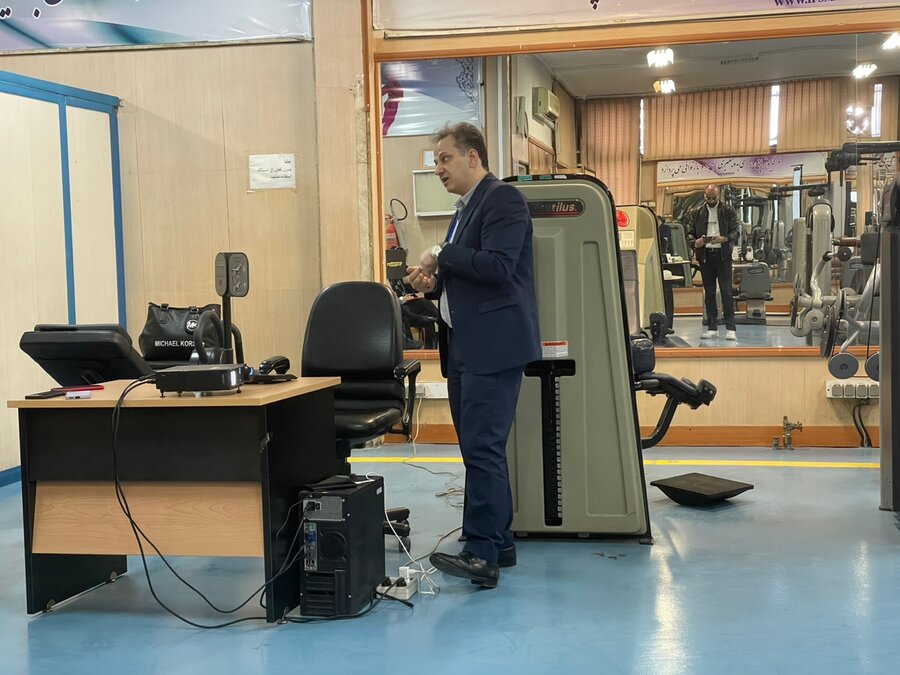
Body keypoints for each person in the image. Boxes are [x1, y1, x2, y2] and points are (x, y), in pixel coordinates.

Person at [404, 122, 541, 589]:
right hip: (465, 346)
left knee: (483, 448)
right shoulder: (464, 210)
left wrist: (442, 254)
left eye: (445, 158)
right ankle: (500, 541)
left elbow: (499, 267)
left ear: (473, 157)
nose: (438, 169)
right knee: (477, 449)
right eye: (436, 161)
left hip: (493, 346)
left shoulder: (502, 200)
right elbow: (467, 275)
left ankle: (481, 553)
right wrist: (432, 283)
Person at [690, 185, 739, 340]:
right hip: (705, 256)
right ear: (704, 196)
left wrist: (724, 238)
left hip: (723, 256)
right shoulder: (697, 212)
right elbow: (690, 233)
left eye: (714, 198)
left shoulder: (728, 210)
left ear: (719, 196)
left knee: (726, 292)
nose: (711, 201)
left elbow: (736, 231)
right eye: (708, 198)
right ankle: (712, 327)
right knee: (709, 293)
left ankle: (730, 328)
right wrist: (695, 242)